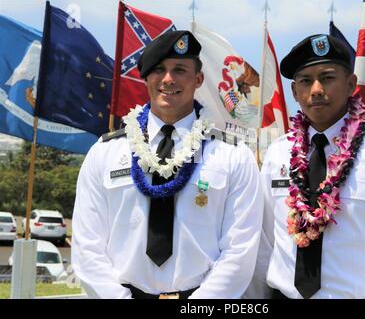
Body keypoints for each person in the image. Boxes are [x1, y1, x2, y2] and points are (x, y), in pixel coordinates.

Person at [71, 30, 263, 299]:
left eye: (180, 69)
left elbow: (240, 251)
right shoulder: (105, 153)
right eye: (159, 69)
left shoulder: (232, 155)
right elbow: (87, 247)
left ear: (198, 79)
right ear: (147, 78)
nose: (168, 79)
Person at [248, 34, 365, 299]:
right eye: (305, 81)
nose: (317, 89)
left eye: (328, 77)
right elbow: (264, 244)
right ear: (294, 92)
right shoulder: (277, 154)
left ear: (351, 84)